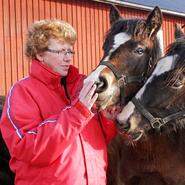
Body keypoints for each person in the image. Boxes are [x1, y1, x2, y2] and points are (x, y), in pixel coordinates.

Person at [0, 19, 117, 185]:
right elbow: (28, 148)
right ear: (39, 54)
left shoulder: (82, 85)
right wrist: (77, 112)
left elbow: (97, 139)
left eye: (70, 51)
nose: (68, 58)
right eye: (61, 52)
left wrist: (108, 120)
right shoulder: (22, 91)